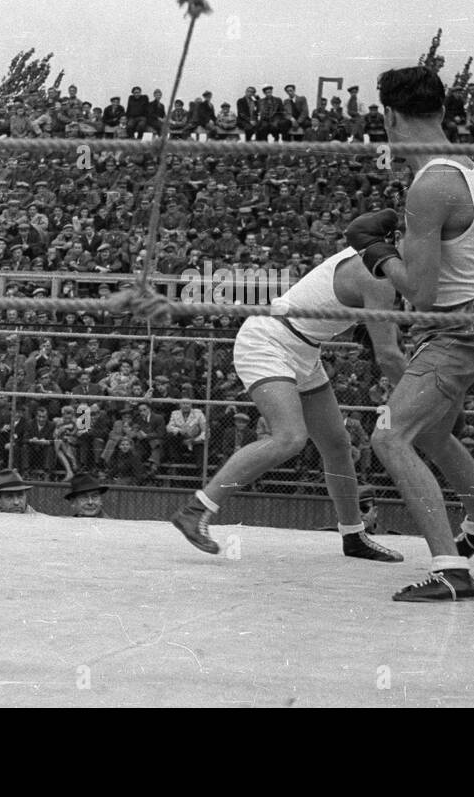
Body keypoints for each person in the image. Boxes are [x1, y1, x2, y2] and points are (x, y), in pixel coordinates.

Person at [342, 66, 474, 602]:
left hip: (452, 332)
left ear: (389, 116)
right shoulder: (471, 172)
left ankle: (452, 570)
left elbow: (422, 295)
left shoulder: (430, 186)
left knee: (390, 437)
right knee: (432, 434)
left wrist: (379, 256)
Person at [168, 236, 413, 565]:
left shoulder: (375, 265)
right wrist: (423, 396)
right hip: (269, 341)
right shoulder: (377, 277)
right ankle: (197, 508)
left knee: (337, 444)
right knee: (289, 437)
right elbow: (387, 356)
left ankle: (354, 535)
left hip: (303, 348)